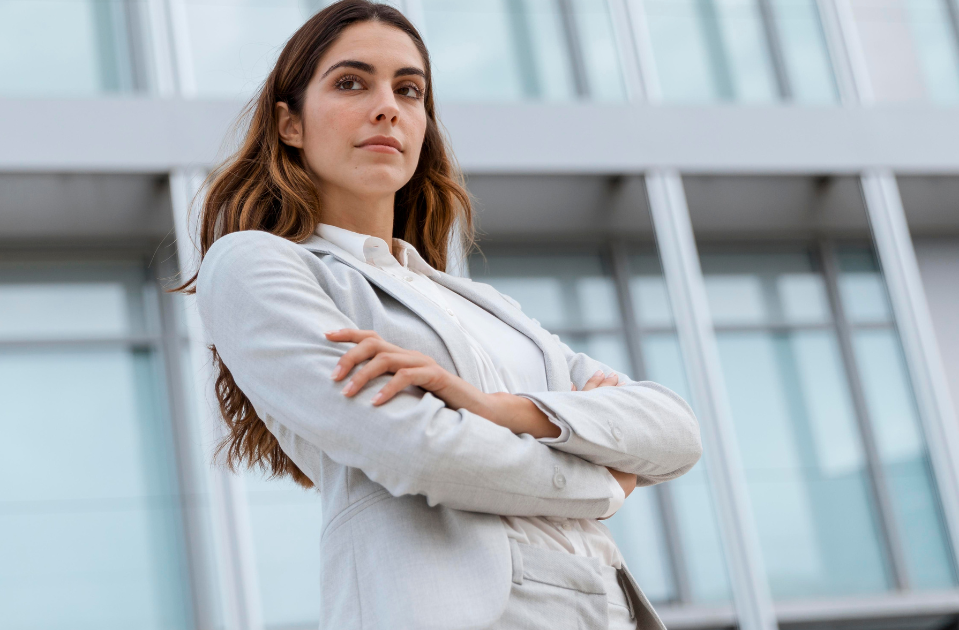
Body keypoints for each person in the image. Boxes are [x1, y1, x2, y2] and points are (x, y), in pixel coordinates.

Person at [177, 1, 703, 628]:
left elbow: (675, 432)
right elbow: (419, 449)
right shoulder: (257, 266)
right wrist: (605, 483)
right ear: (289, 124)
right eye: (351, 82)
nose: (387, 107)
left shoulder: (480, 304)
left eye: (409, 89)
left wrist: (493, 407)